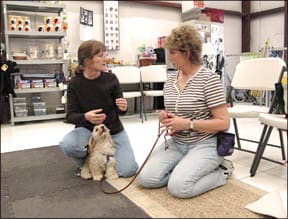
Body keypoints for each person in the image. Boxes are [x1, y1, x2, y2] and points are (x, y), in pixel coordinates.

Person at [137, 24, 234, 199]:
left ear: (187, 53)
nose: (169, 57)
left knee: (179, 188)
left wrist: (188, 124)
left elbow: (224, 123)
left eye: (173, 52)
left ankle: (222, 172)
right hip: (177, 142)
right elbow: (172, 111)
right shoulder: (171, 80)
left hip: (206, 143)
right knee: (145, 178)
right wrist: (165, 117)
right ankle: (185, 167)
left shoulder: (209, 80)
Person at [59, 40, 138, 178]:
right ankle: (88, 164)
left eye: (104, 55)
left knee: (128, 170)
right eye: (100, 56)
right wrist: (86, 117)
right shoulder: (75, 84)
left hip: (112, 130)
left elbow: (120, 110)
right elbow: (70, 116)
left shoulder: (111, 79)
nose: (105, 59)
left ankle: (99, 163)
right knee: (68, 145)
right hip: (87, 131)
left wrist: (123, 107)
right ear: (87, 60)